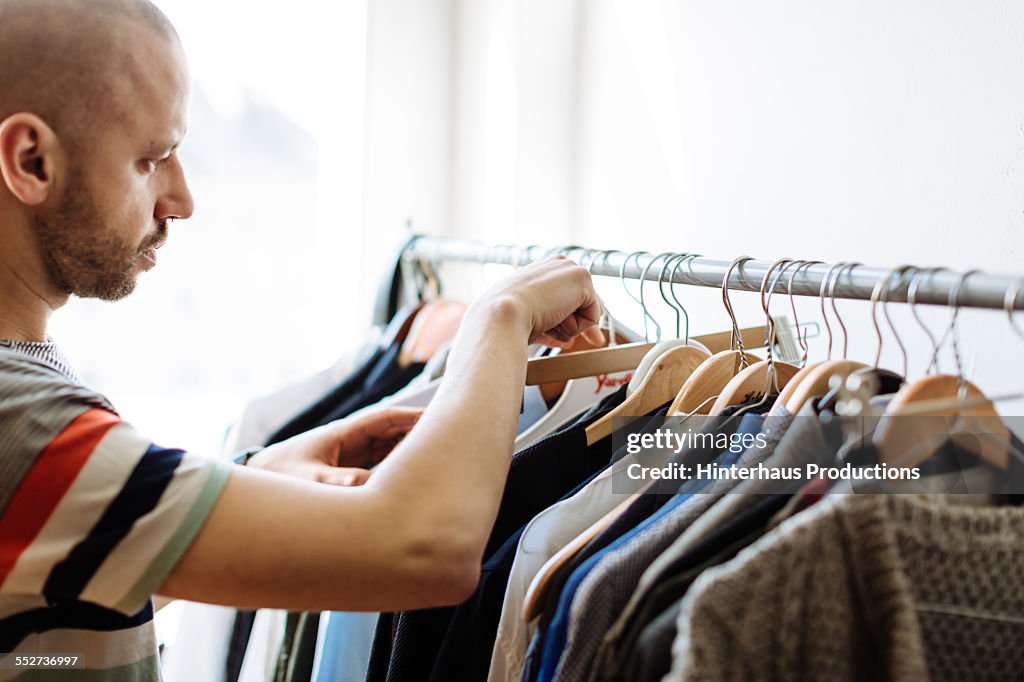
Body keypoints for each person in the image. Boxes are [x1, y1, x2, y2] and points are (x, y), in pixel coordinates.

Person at [0, 0, 605, 678]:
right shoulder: (23, 421)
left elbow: (63, 590)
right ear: (31, 161)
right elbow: (424, 551)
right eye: (154, 157)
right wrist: (499, 318)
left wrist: (255, 480)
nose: (182, 198)